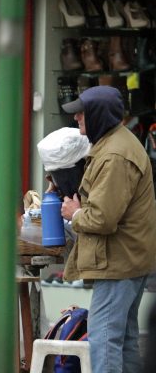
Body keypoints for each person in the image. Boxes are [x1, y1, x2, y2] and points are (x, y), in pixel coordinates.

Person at [60, 85, 156, 373]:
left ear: (98, 115)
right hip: (130, 258)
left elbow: (102, 218)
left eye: (82, 113)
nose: (76, 118)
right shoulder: (115, 143)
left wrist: (75, 214)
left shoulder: (115, 155)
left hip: (119, 261)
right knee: (124, 338)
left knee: (103, 339)